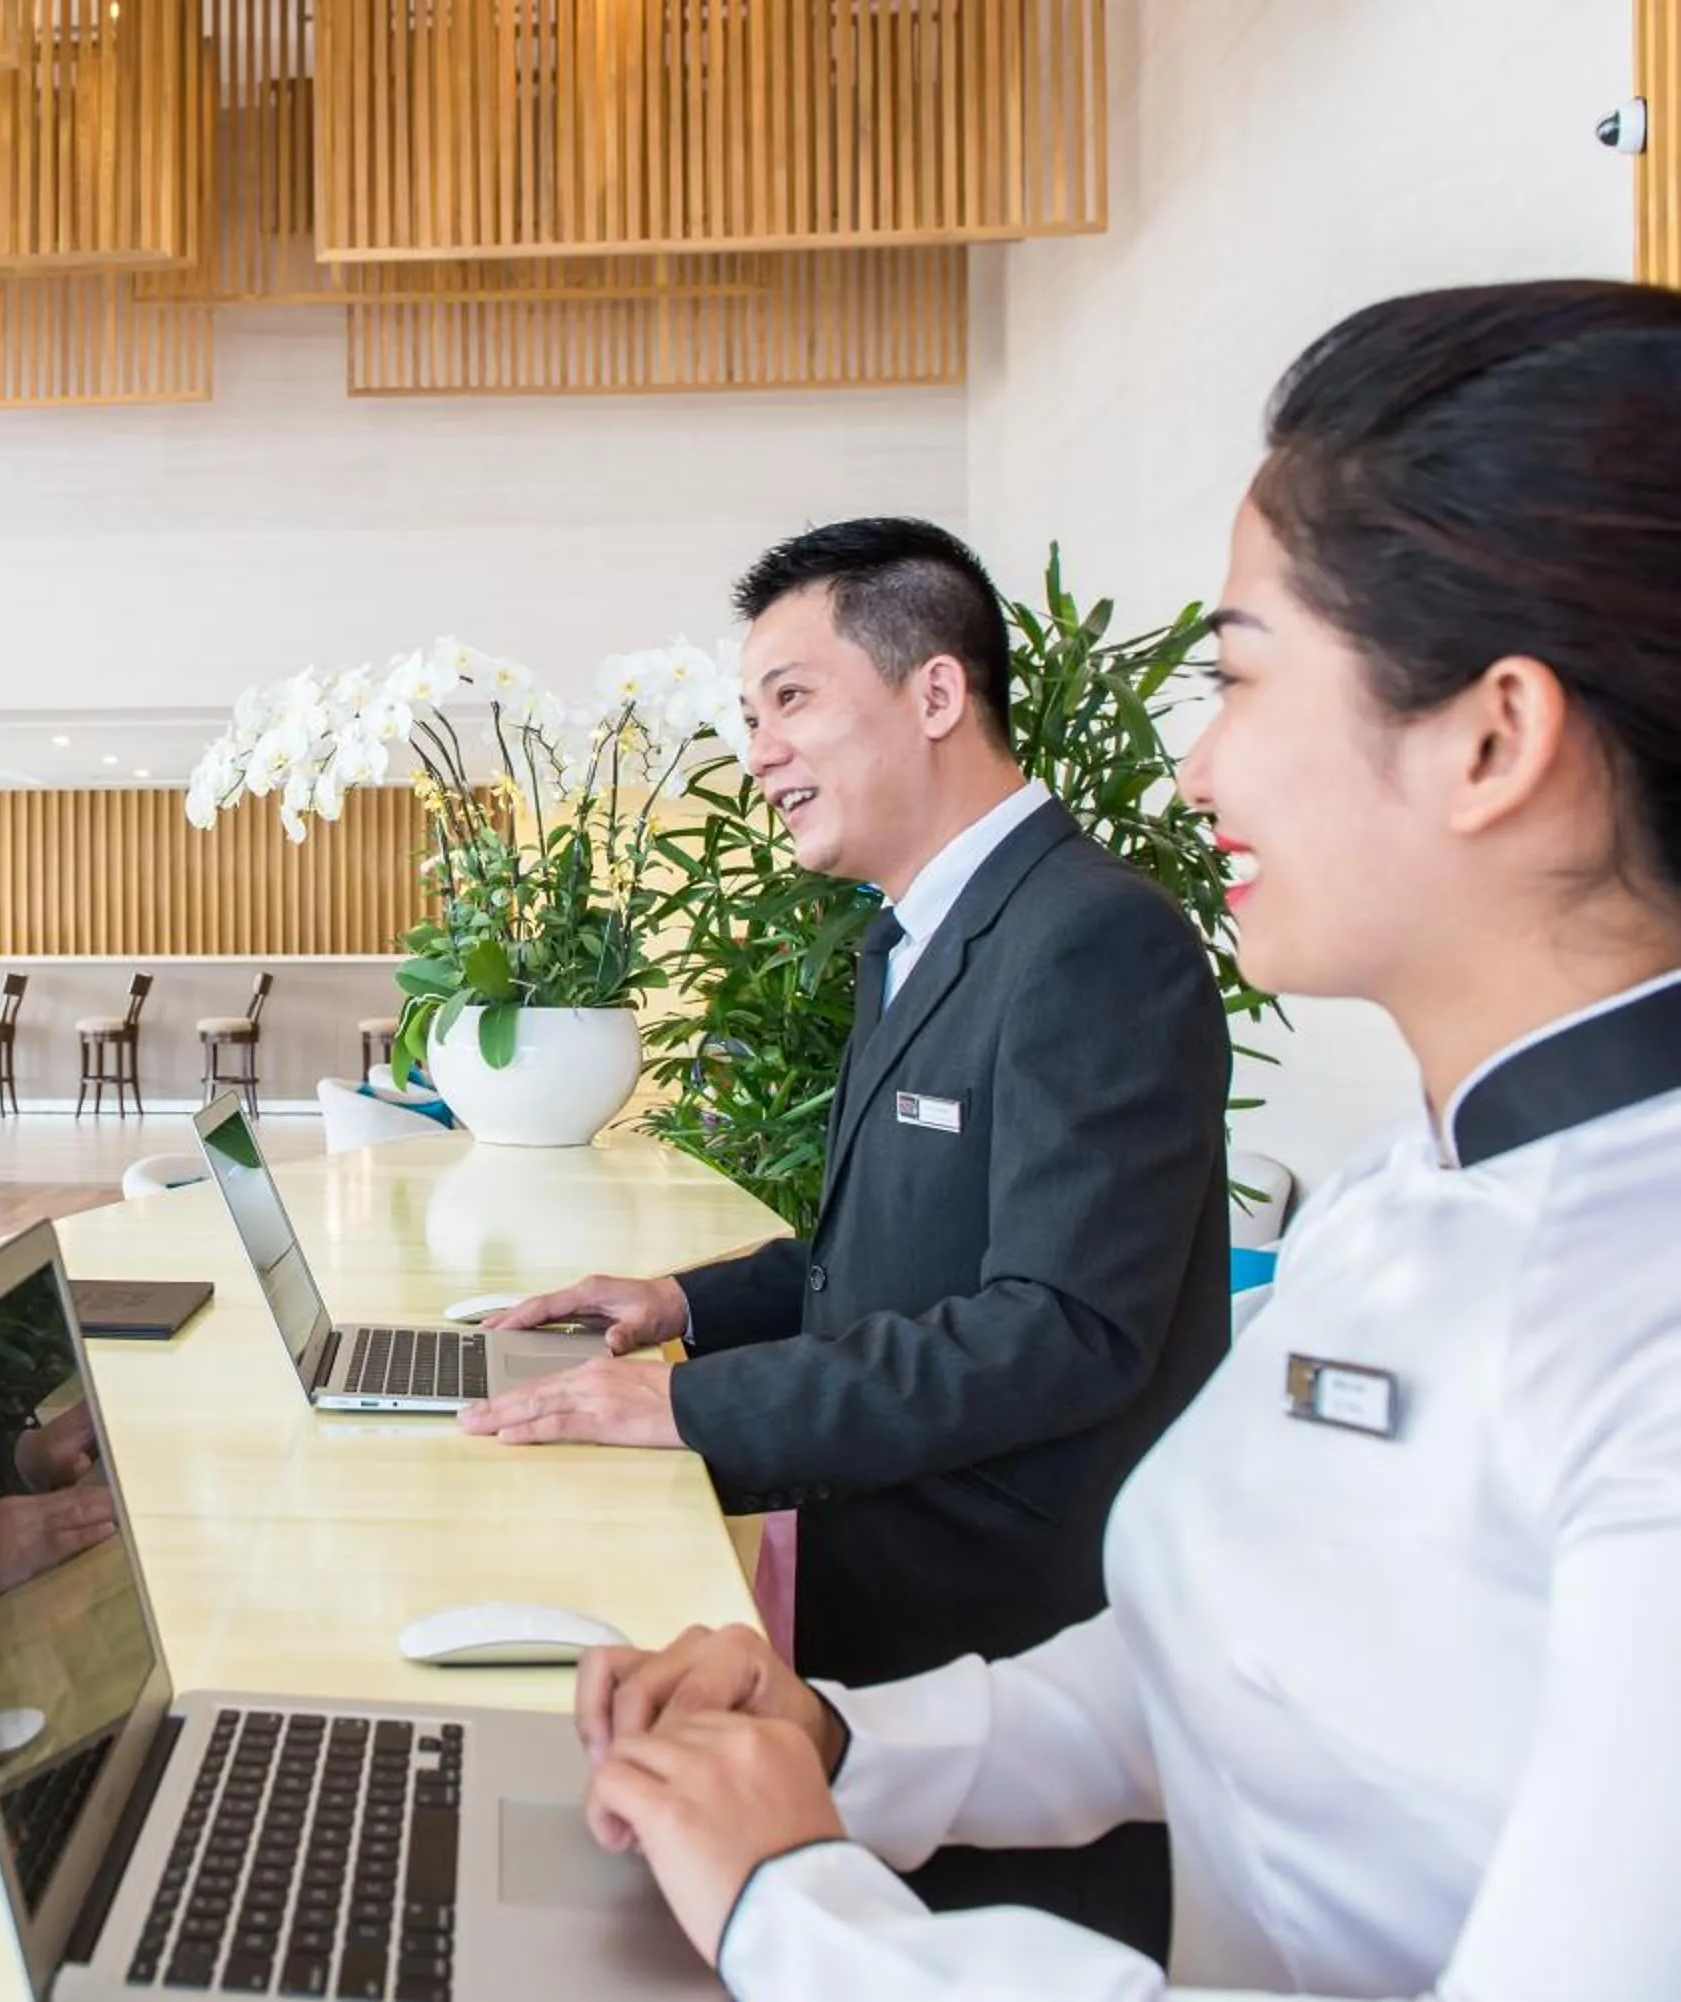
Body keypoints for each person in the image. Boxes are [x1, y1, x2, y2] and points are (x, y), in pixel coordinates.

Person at [574, 279, 1681, 2000]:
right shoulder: (1412, 1188)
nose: (1200, 765)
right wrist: (842, 1738)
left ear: (1493, 736)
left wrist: (794, 1905)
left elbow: (1057, 1332)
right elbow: (1221, 1664)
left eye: (1239, 677)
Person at [463, 517, 1231, 1951]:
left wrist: (687, 1404)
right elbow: (884, 1258)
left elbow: (1059, 1327)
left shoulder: (1092, 938)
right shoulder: (915, 933)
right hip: (889, 1639)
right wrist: (680, 1302)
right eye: (751, 712)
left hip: (1015, 1661)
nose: (759, 748)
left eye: (793, 698)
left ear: (937, 694)